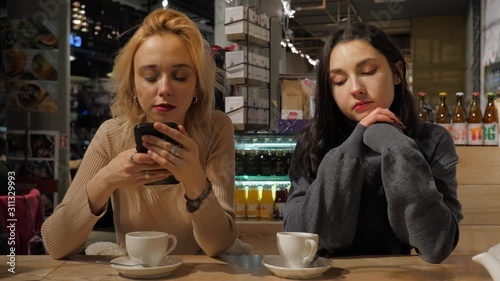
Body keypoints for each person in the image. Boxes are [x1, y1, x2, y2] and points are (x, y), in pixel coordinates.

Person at [42, 8, 237, 259]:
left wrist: (195, 182)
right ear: (133, 85)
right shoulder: (112, 135)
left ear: (197, 85)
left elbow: (219, 244)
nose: (164, 88)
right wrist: (105, 180)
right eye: (150, 76)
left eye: (180, 76)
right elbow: (56, 245)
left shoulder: (216, 129)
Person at [282, 23, 462, 264]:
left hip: (397, 276)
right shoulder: (314, 142)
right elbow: (298, 232)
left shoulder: (432, 140)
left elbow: (437, 244)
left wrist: (394, 144)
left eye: (367, 71)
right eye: (339, 80)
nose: (355, 88)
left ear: (398, 73)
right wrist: (352, 147)